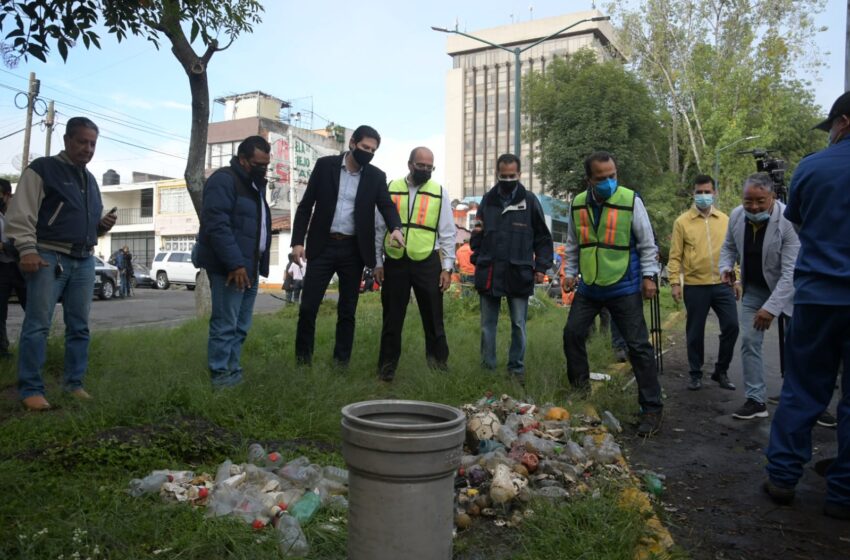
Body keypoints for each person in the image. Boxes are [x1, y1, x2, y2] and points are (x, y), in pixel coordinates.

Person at [763, 91, 850, 520]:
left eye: (831, 125)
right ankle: (844, 494)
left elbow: (797, 220)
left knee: (802, 388)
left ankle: (782, 477)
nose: (829, 133)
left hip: (818, 296)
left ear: (844, 122)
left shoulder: (812, 167)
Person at [5, 116, 116, 411]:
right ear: (67, 140)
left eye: (92, 144)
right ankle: (30, 389)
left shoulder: (90, 180)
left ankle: (73, 384)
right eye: (82, 142)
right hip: (48, 256)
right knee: (38, 325)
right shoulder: (42, 169)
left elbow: (84, 225)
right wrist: (27, 249)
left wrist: (100, 226)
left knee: (79, 327)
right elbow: (21, 213)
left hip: (84, 258)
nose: (88, 148)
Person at [562, 151, 662, 436]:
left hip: (624, 285)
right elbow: (573, 243)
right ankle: (581, 392)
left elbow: (647, 243)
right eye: (601, 178)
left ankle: (652, 409)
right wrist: (570, 272)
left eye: (612, 176)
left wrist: (649, 277)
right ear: (589, 180)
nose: (609, 182)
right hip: (590, 286)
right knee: (572, 334)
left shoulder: (631, 201)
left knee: (638, 346)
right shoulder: (578, 204)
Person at [291, 125, 404, 366]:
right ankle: (302, 361)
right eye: (365, 147)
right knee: (308, 307)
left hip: (353, 250)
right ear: (352, 143)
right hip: (322, 246)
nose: (368, 153)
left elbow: (386, 205)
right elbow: (306, 205)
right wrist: (297, 242)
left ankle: (341, 363)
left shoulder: (376, 176)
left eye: (373, 151)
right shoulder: (325, 166)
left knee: (347, 310)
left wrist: (396, 227)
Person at [193, 135, 272, 389]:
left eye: (266, 164)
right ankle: (220, 378)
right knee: (225, 325)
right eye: (258, 164)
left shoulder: (254, 185)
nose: (263, 169)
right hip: (231, 269)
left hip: (249, 267)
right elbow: (217, 225)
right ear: (242, 159)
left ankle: (233, 373)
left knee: (241, 326)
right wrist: (235, 264)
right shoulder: (224, 180)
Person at [718, 173, 799, 420]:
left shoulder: (788, 220)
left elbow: (791, 273)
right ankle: (755, 400)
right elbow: (728, 246)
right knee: (749, 341)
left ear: (772, 197)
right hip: (754, 289)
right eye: (748, 201)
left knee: (799, 345)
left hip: (789, 292)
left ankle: (804, 400)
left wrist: (771, 309)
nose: (753, 207)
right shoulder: (736, 216)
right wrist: (726, 267)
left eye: (760, 201)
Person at [373, 147, 455, 381]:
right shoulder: (391, 187)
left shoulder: (439, 192)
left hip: (427, 262)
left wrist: (447, 268)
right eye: (421, 166)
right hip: (395, 261)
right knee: (392, 319)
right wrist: (377, 262)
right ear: (410, 164)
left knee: (434, 319)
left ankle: (439, 368)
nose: (426, 170)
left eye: (430, 167)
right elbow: (379, 228)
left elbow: (448, 232)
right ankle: (386, 371)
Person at [470, 153, 553, 384]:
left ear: (519, 174)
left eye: (512, 176)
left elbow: (543, 238)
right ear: (497, 174)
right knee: (487, 326)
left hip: (519, 272)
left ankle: (516, 369)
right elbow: (477, 233)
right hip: (490, 271)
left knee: (518, 324)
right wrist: (478, 257)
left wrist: (541, 267)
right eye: (503, 176)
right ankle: (487, 369)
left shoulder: (529, 201)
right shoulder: (488, 201)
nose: (507, 180)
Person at [667, 175, 739, 391]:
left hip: (723, 283)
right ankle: (695, 373)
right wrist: (674, 283)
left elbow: (733, 252)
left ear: (714, 193)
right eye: (699, 192)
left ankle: (721, 371)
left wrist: (737, 279)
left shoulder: (725, 220)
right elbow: (674, 256)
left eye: (707, 192)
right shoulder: (682, 222)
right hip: (695, 285)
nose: (703, 196)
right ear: (693, 193)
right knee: (695, 332)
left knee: (732, 326)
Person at [0, 179, 25, 359]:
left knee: (33, 309)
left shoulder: (20, 213)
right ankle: (3, 352)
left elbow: (24, 242)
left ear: (7, 195)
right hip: (2, 269)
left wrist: (5, 247)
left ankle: (34, 348)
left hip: (21, 267)